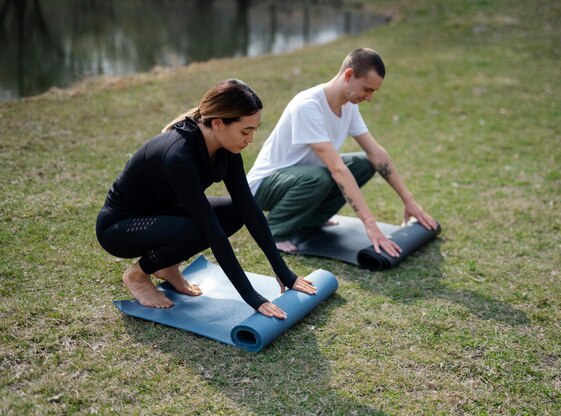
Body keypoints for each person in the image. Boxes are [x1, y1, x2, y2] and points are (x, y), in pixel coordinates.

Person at [96, 78, 316, 318]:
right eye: (246, 130)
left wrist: (284, 273)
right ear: (219, 123)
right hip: (120, 227)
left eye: (254, 130)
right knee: (197, 229)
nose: (250, 139)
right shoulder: (178, 155)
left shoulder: (227, 149)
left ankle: (167, 267)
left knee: (234, 213)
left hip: (162, 213)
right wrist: (252, 297)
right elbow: (210, 229)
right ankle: (137, 275)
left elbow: (249, 208)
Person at [247, 48, 438, 255]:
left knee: (365, 163)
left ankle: (311, 220)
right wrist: (370, 223)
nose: (369, 98)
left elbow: (377, 155)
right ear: (348, 75)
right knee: (320, 177)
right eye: (367, 89)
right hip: (263, 187)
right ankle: (275, 231)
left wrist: (409, 201)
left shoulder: (349, 106)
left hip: (303, 178)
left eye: (373, 91)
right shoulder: (308, 106)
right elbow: (337, 169)